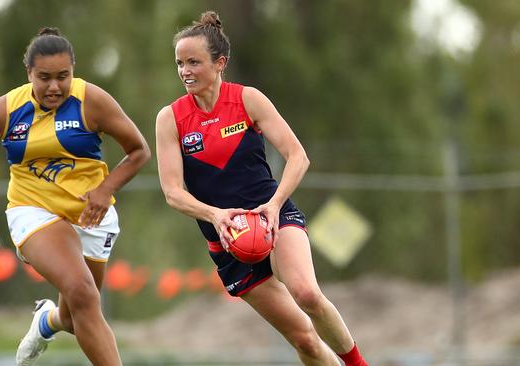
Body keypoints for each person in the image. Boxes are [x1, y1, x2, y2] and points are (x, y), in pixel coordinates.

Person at [155, 11, 367, 366]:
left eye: (194, 61)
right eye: (180, 63)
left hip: (273, 216)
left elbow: (298, 156)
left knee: (307, 294)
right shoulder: (170, 118)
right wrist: (216, 215)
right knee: (305, 340)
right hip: (227, 242)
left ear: (220, 63)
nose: (185, 71)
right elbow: (173, 192)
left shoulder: (247, 100)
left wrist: (273, 205)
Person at [0, 27, 150, 366]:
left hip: (90, 216)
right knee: (83, 293)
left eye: (63, 77)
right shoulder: (8, 109)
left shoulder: (92, 101)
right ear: (29, 74)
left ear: (74, 71)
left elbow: (139, 151)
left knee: (74, 315)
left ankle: (46, 320)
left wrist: (105, 189)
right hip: (33, 210)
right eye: (44, 77)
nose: (54, 87)